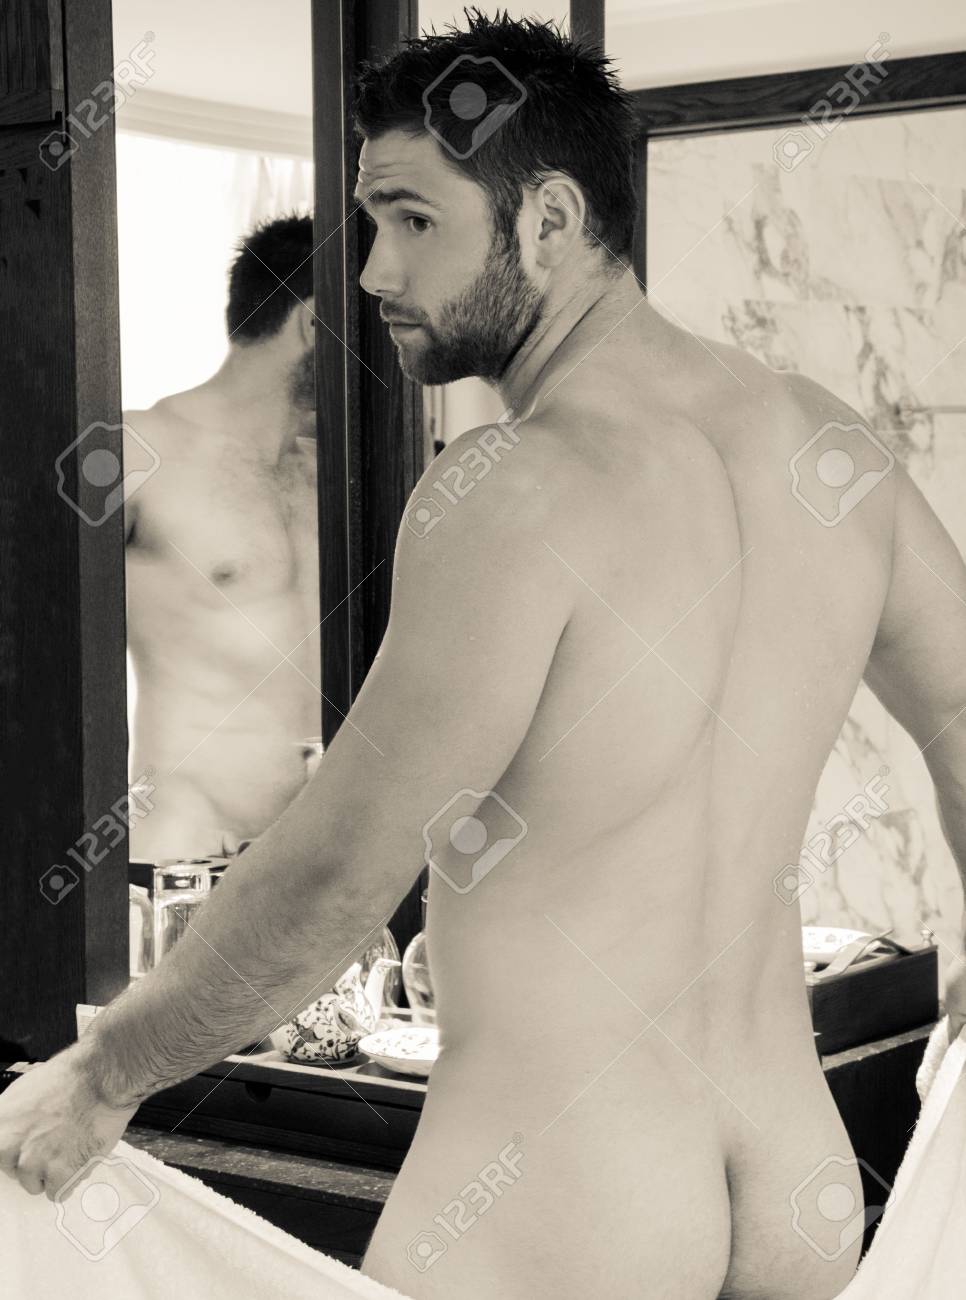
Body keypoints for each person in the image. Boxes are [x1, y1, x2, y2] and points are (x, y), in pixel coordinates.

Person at [3, 13, 966, 1300]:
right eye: (370, 222)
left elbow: (343, 867)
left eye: (414, 219)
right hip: (796, 1178)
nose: (373, 272)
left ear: (551, 219)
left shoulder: (510, 487)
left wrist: (106, 1070)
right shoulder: (823, 444)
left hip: (566, 1200)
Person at [122, 213, 322, 858]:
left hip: (314, 863)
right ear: (314, 322)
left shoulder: (335, 479)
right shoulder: (138, 451)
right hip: (185, 853)